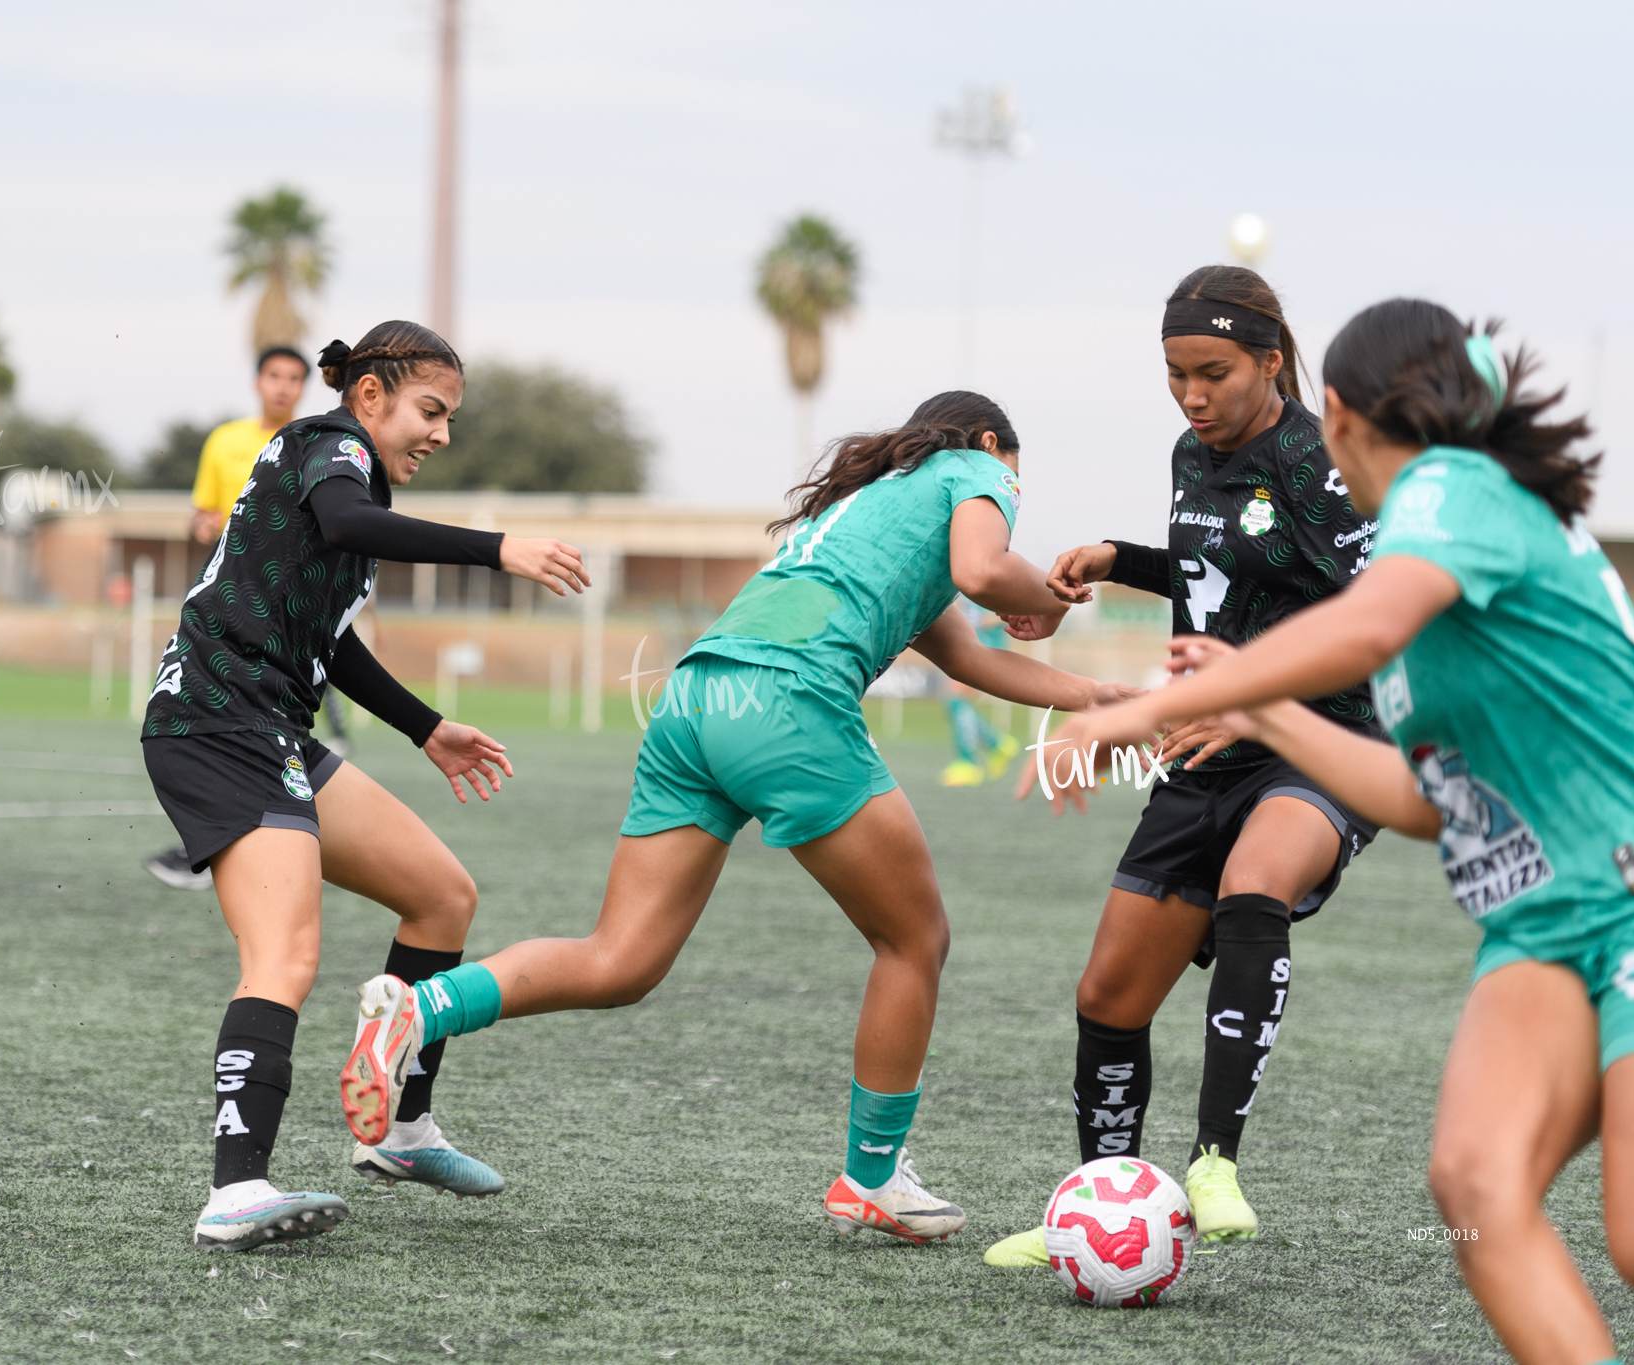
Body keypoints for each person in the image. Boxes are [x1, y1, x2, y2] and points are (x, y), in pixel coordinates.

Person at [1047, 298, 1634, 1365]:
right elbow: (1420, 799)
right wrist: (1262, 709)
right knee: (1476, 1192)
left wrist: (1134, 712)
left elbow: (1361, 621)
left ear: (1341, 411)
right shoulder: (1430, 557)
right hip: (1534, 922)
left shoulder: (1453, 489)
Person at [336, 392, 1140, 1245]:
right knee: (915, 940)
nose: (1002, 502)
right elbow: (989, 573)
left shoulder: (873, 510)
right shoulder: (975, 467)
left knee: (620, 961)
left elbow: (972, 652)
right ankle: (872, 1175)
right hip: (787, 702)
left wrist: (1096, 696)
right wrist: (1049, 597)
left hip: (693, 697)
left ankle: (419, 1009)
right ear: (987, 445)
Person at [140, 321, 592, 1251]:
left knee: (440, 897)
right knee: (286, 955)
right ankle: (234, 1189)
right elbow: (347, 521)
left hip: (272, 727)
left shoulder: (353, 483)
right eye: (431, 411)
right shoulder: (330, 448)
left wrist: (427, 728)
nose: (442, 434)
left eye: (450, 417)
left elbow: (329, 637)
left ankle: (398, 1131)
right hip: (215, 720)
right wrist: (500, 547)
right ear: (373, 393)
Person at [984, 266, 1383, 1270]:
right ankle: (1095, 1200)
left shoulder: (1311, 462)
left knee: (1257, 882)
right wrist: (1120, 558)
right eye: (1173, 376)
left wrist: (1255, 693)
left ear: (1269, 362)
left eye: (1212, 373)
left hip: (1315, 740)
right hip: (1203, 749)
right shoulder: (1188, 453)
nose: (1191, 397)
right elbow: (1226, 573)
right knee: (1107, 994)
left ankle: (1212, 1162)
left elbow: (1376, 610)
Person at [145, 346, 328, 891]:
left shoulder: (314, 445)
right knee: (215, 714)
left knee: (276, 721)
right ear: (258, 382)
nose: (283, 387)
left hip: (291, 604)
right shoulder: (225, 441)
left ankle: (257, 839)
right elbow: (203, 513)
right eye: (275, 376)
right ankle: (208, 844)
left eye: (294, 378)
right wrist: (204, 526)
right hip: (230, 591)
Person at [938, 598, 1021, 787]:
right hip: (972, 643)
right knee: (955, 702)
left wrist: (982, 619)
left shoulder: (996, 575)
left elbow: (1011, 608)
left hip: (987, 646)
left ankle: (970, 763)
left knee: (955, 700)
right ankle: (997, 744)